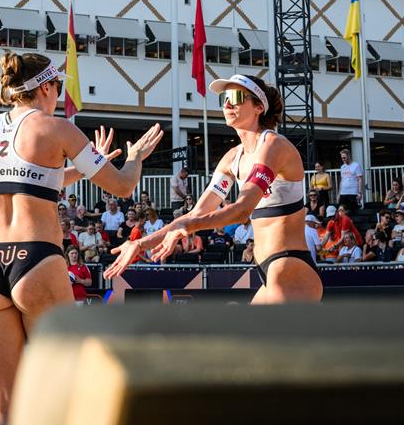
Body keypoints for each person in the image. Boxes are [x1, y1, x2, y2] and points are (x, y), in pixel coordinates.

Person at [0, 52, 162, 423]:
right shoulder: (57, 128)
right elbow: (123, 186)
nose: (59, 93)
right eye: (58, 85)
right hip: (35, 257)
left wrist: (86, 168)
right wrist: (135, 157)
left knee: (2, 409)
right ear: (45, 86)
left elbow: (31, 179)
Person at [109, 73, 322, 305]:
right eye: (224, 98)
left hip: (290, 266)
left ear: (259, 107)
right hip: (270, 271)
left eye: (236, 97)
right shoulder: (233, 157)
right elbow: (196, 213)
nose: (227, 104)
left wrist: (188, 226)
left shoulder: (273, 145)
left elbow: (241, 210)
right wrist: (140, 243)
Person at [336, 148, 365, 212]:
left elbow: (360, 179)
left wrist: (360, 192)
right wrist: (339, 194)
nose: (343, 159)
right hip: (343, 192)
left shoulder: (356, 165)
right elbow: (342, 181)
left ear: (349, 156)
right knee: (342, 211)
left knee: (352, 211)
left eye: (344, 157)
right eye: (342, 158)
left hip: (353, 192)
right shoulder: (342, 167)